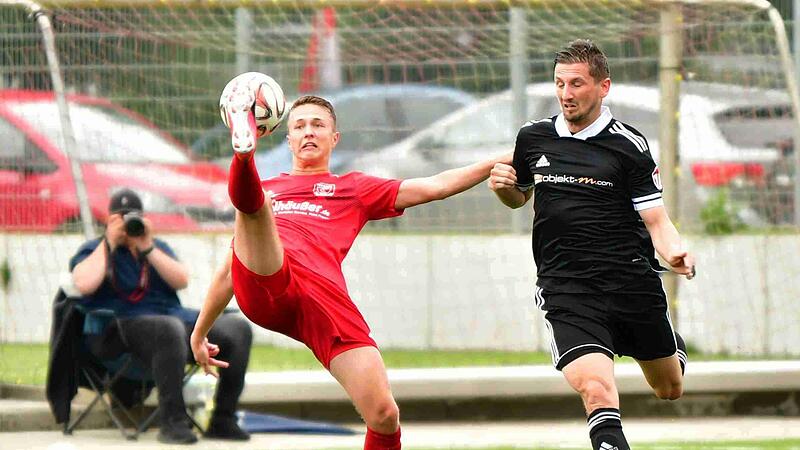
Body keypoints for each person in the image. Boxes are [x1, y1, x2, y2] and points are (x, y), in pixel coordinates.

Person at [190, 91, 510, 450]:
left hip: (320, 301)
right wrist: (200, 331)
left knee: (385, 415)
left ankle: (243, 160)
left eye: (318, 125)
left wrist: (504, 157)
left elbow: (434, 186)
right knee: (256, 206)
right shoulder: (270, 189)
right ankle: (243, 158)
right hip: (264, 284)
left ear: (334, 137)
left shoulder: (354, 188)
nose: (308, 132)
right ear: (288, 138)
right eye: (298, 126)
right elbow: (227, 271)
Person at [488, 39, 695, 450]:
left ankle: (671, 344)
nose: (566, 94)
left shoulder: (629, 147)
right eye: (560, 83)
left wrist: (674, 251)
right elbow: (520, 196)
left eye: (577, 83)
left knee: (669, 388)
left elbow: (656, 219)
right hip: (566, 287)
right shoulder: (533, 138)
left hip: (630, 282)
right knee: (598, 391)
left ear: (603, 87)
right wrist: (504, 190)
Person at [69, 188, 253, 444]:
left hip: (172, 322)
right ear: (110, 220)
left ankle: (223, 419)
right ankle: (173, 423)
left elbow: (181, 280)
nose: (128, 224)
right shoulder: (94, 249)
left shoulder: (155, 247)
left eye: (132, 217)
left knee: (236, 328)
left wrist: (147, 248)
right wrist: (109, 242)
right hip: (119, 330)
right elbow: (84, 284)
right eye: (120, 218)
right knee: (168, 329)